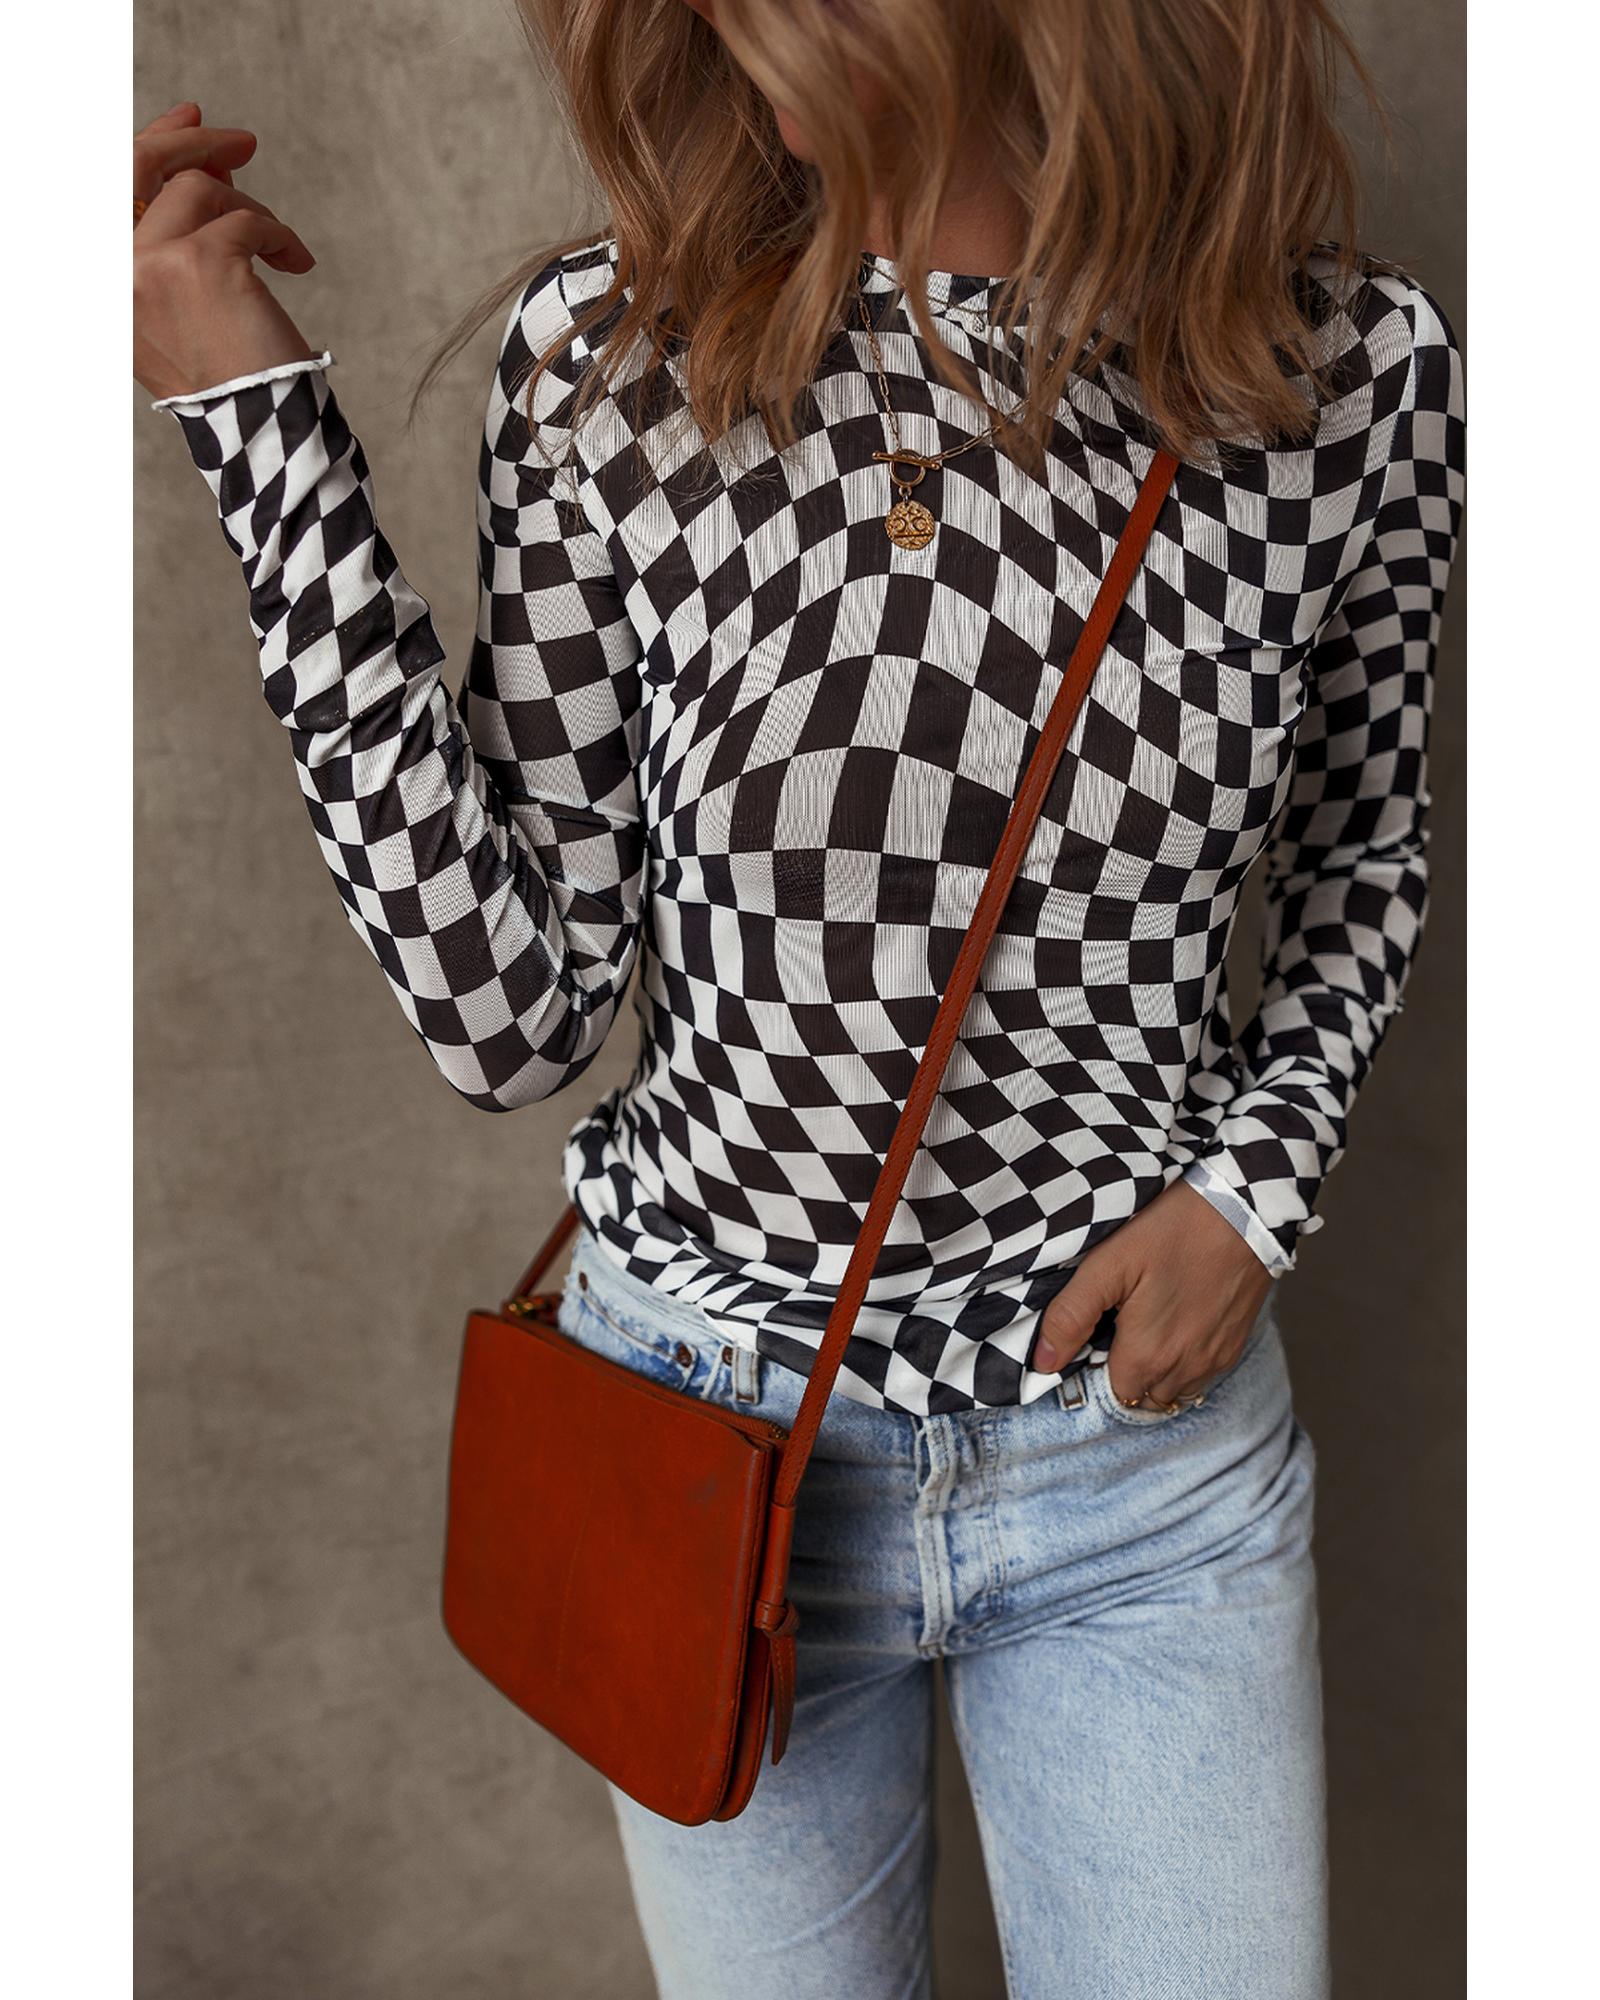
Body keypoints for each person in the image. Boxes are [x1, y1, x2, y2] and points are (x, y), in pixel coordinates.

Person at [133, 2, 1465, 1994]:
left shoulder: (1348, 375)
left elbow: (1365, 845)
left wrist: (1253, 1191)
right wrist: (260, 437)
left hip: (1138, 1480)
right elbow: (507, 1011)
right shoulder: (615, 360)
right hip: (708, 1451)